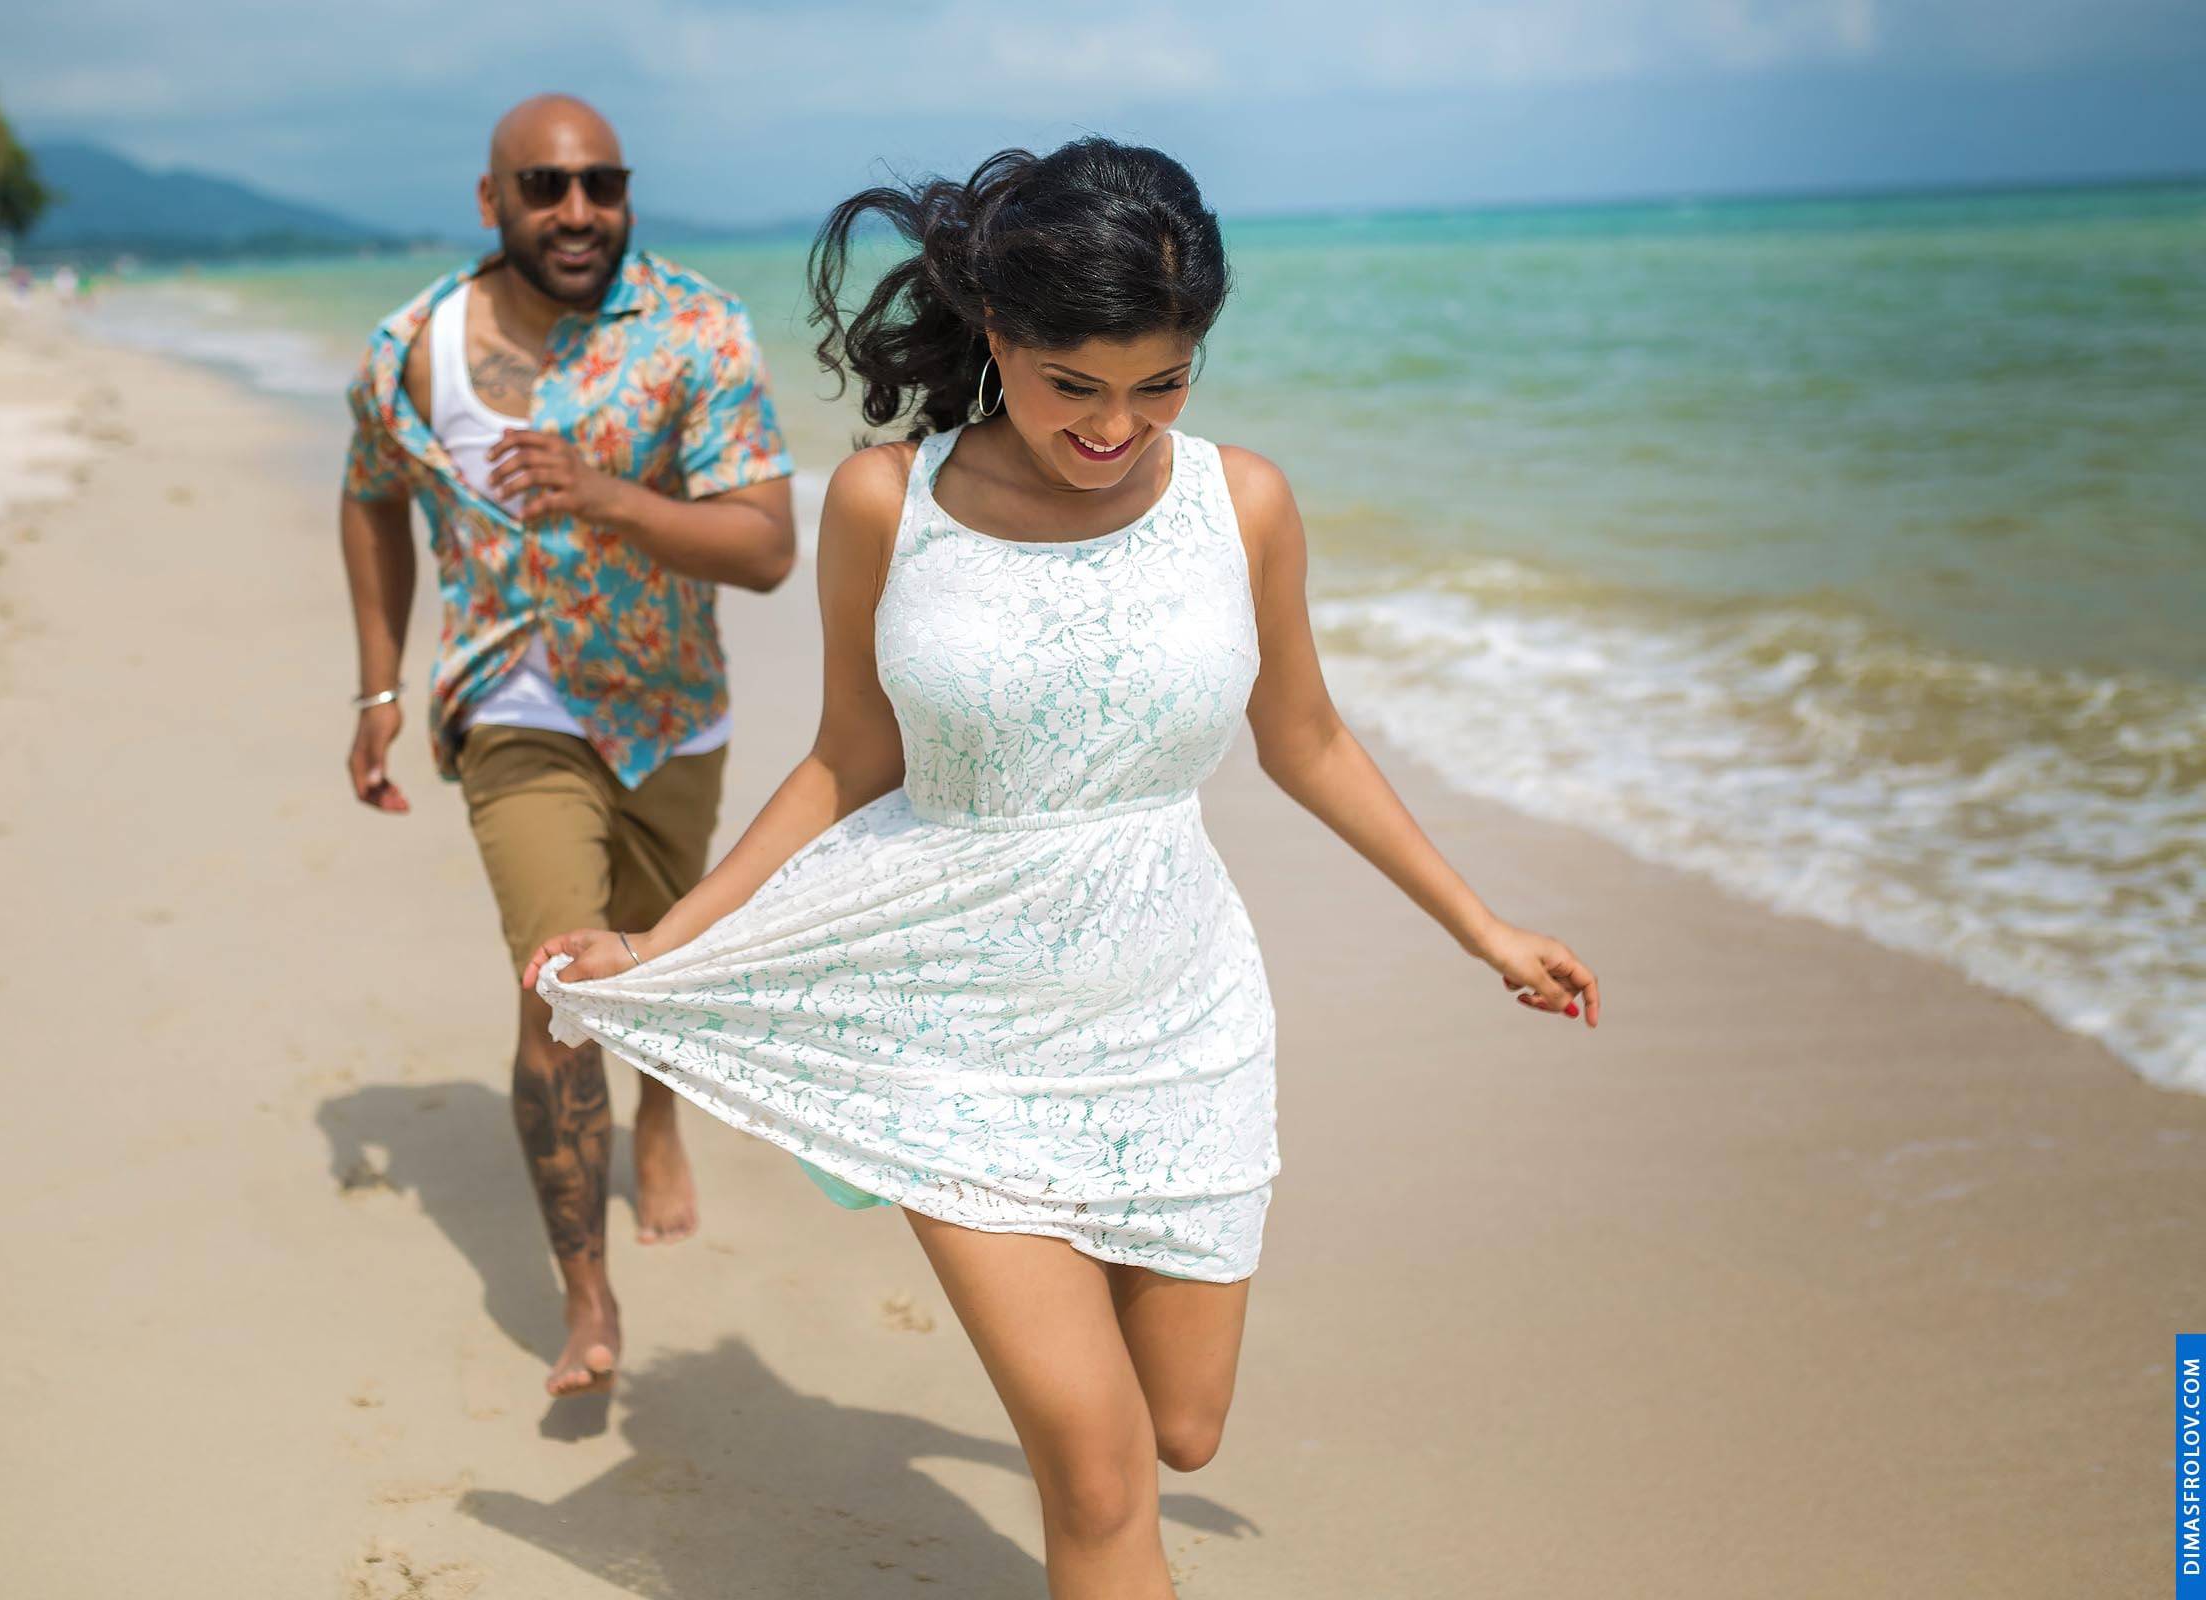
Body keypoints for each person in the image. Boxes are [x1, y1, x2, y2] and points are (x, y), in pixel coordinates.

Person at [530, 138, 1600, 1593]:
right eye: (1073, 386)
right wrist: (664, 948)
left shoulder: (1247, 505)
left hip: (1177, 1011)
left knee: (1183, 1431)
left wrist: (1484, 926)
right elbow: (851, 757)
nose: (1117, 427)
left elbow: (1308, 741)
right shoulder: (882, 505)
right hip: (954, 1019)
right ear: (996, 336)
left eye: (1161, 382)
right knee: (1097, 1484)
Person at [338, 94, 795, 1398]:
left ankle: (660, 1113)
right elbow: (370, 495)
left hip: (668, 715)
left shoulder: (695, 329)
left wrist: (604, 497)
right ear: (492, 203)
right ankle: (586, 1295)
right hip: (513, 712)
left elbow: (766, 547)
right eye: (545, 187)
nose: (578, 211)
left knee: (650, 965)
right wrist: (378, 691)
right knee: (561, 979)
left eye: (601, 184)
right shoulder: (409, 348)